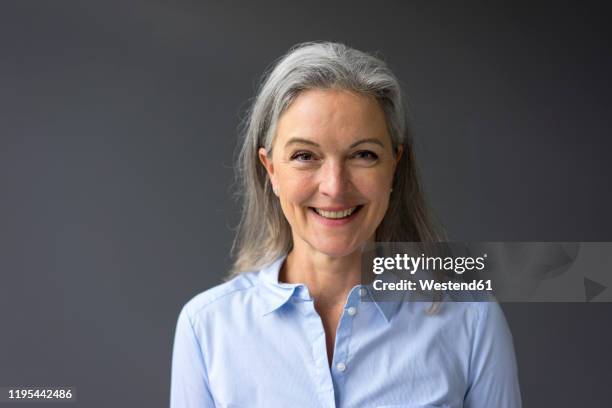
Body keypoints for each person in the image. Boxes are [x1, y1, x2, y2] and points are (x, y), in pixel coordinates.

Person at [170, 41, 522, 407]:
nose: (335, 187)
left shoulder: (472, 320)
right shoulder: (206, 328)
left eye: (363, 155)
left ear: (394, 167)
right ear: (271, 169)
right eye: (305, 156)